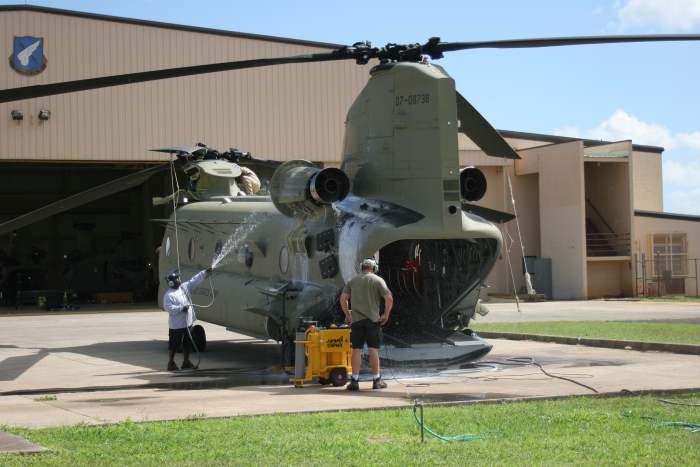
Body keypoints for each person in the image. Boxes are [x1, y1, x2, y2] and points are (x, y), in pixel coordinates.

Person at [339, 257, 393, 390]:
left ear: (361, 267)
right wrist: (385, 314)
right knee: (372, 349)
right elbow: (389, 298)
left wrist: (347, 314)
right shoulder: (378, 280)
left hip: (356, 320)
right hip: (373, 320)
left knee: (356, 350)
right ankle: (376, 380)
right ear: (374, 268)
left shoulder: (353, 280)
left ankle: (355, 381)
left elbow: (343, 298)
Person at [163, 267, 213, 371]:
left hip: (188, 323)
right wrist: (181, 308)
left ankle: (186, 362)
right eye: (176, 279)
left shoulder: (184, 288)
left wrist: (205, 273)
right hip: (176, 325)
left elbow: (194, 280)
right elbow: (168, 308)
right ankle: (171, 363)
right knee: (173, 345)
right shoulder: (169, 295)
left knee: (187, 344)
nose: (179, 280)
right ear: (171, 283)